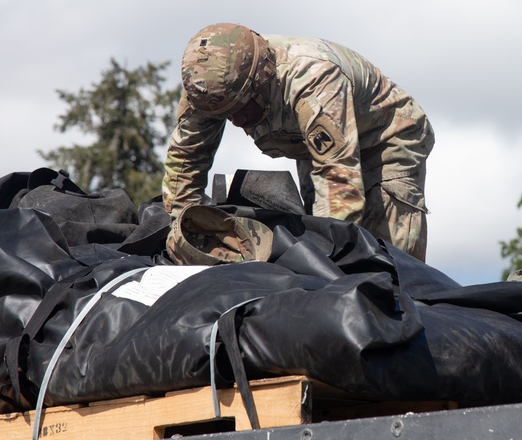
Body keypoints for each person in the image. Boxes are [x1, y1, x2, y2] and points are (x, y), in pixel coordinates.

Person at [162, 23, 435, 261]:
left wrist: (328, 262)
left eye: (241, 110)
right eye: (226, 115)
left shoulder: (313, 80)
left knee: (385, 258)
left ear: (262, 81)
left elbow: (339, 177)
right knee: (314, 226)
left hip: (385, 140)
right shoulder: (208, 90)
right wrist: (184, 228)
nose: (235, 121)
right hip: (311, 144)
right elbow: (185, 159)